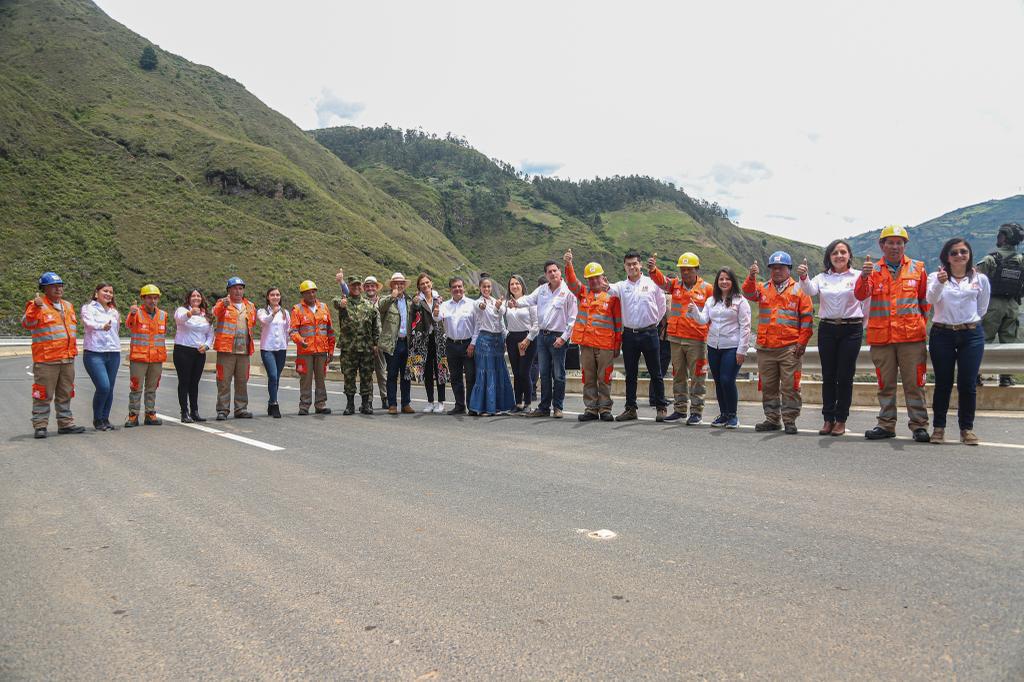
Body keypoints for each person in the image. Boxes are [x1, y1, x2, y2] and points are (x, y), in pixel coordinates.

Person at [854, 225, 931, 442]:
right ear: (882, 245)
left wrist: (916, 324)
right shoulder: (872, 271)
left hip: (911, 338)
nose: (895, 247)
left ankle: (919, 426)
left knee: (915, 384)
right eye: (890, 242)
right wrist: (863, 276)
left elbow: (924, 302)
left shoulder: (918, 268)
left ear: (905, 245)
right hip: (882, 338)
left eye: (899, 242)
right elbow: (860, 295)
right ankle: (886, 424)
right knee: (884, 384)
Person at [796, 240, 864, 436]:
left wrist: (862, 325)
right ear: (829, 257)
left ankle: (841, 419)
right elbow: (809, 290)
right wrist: (803, 276)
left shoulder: (859, 276)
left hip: (851, 329)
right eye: (835, 253)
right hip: (827, 329)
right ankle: (828, 419)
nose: (839, 256)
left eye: (843, 252)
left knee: (844, 376)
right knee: (829, 375)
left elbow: (866, 301)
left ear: (849, 255)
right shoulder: (821, 277)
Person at [742, 251, 814, 434]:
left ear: (789, 269)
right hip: (766, 347)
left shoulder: (799, 290)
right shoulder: (763, 287)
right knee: (768, 386)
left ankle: (790, 420)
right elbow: (748, 292)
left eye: (781, 268)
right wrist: (751, 276)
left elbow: (807, 319)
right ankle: (772, 419)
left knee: (790, 386)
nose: (777, 271)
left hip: (789, 348)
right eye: (774, 268)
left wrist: (802, 343)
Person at [927, 238, 990, 445]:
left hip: (971, 334)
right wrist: (940, 282)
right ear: (947, 257)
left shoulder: (980, 279)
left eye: (963, 251)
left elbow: (982, 308)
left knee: (968, 384)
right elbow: (930, 300)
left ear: (969, 254)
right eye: (954, 253)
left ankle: (966, 429)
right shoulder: (935, 277)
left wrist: (966, 321)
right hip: (942, 334)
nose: (959, 255)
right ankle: (938, 428)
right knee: (943, 383)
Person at [600, 251, 668, 422]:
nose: (632, 267)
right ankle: (631, 409)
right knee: (631, 374)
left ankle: (661, 407)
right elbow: (610, 289)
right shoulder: (622, 286)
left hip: (649, 333)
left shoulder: (652, 283)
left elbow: (661, 307)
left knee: (656, 372)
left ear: (640, 265)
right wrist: (605, 284)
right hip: (629, 335)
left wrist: (652, 324)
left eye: (634, 264)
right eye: (628, 264)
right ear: (624, 267)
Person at [649, 252, 713, 424]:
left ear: (696, 269)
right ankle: (680, 409)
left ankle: (696, 412)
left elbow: (713, 314)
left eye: (689, 269)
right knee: (678, 376)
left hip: (697, 340)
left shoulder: (707, 289)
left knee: (698, 376)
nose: (685, 273)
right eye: (682, 269)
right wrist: (654, 270)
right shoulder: (675, 285)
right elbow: (662, 281)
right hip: (676, 338)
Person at [510, 260, 578, 419]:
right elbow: (528, 300)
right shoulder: (541, 290)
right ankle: (544, 407)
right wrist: (516, 303)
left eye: (555, 270)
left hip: (558, 337)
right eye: (549, 272)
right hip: (542, 336)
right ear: (546, 275)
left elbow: (573, 318)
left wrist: (564, 337)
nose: (553, 274)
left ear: (560, 272)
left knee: (558, 374)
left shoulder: (568, 292)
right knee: (545, 374)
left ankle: (558, 407)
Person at [23, 272, 85, 439]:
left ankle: (65, 424)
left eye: (60, 285)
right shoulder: (37, 305)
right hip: (46, 360)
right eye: (54, 286)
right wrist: (35, 307)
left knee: (66, 392)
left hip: (67, 359)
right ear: (44, 289)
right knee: (43, 394)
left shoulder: (68, 306)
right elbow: (27, 324)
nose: (58, 288)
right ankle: (40, 425)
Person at [688, 268, 751, 428]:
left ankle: (732, 416)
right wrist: (695, 311)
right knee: (718, 381)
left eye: (727, 279)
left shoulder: (740, 301)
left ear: (733, 281)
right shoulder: (711, 300)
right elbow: (703, 320)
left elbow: (745, 327)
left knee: (727, 380)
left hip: (732, 346)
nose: (724, 282)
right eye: (721, 279)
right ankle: (723, 414)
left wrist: (741, 350)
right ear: (717, 282)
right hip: (714, 347)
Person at [563, 253, 622, 422]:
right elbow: (572, 282)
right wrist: (568, 265)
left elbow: (618, 324)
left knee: (605, 378)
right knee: (588, 377)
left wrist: (617, 344)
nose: (594, 281)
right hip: (587, 344)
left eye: (597, 278)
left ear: (603, 277)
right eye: (590, 278)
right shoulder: (583, 293)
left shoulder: (613, 297)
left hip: (605, 345)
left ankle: (605, 409)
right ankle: (591, 408)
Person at [976, 222, 1024, 387]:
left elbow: (974, 282)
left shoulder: (990, 259)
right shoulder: (1021, 260)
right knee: (1009, 342)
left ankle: (976, 374)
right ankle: (1006, 377)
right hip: (1012, 305)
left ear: (1004, 237)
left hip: (992, 304)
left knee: (983, 340)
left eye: (1000, 234)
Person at [468, 276, 515, 415]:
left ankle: (499, 406)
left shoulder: (497, 302)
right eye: (484, 287)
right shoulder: (477, 303)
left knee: (499, 371)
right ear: (480, 288)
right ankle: (484, 407)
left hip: (497, 340)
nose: (487, 289)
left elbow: (500, 322)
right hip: (484, 340)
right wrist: (485, 306)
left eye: (489, 287)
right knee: (485, 372)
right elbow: (479, 308)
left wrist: (505, 338)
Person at [212, 276, 257, 420]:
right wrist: (222, 305)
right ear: (228, 290)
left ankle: (241, 408)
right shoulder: (223, 303)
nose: (238, 291)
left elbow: (253, 323)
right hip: (226, 349)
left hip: (244, 350)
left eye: (240, 288)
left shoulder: (250, 306)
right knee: (224, 381)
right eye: (234, 288)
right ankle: (223, 410)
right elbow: (213, 314)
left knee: (242, 380)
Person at [334, 276, 381, 415]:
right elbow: (336, 302)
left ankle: (366, 404)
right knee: (349, 377)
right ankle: (350, 405)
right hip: (349, 348)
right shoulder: (344, 302)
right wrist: (342, 303)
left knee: (366, 377)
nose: (355, 288)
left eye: (357, 285)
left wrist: (376, 344)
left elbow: (375, 327)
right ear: (349, 286)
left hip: (366, 348)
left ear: (361, 287)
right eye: (352, 286)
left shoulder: (369, 305)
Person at [289, 280, 335, 415]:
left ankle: (320, 405)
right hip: (305, 351)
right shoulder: (297, 309)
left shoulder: (324, 308)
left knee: (321, 379)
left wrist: (331, 350)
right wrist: (300, 340)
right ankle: (304, 406)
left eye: (313, 291)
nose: (311, 294)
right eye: (308, 292)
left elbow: (330, 331)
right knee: (305, 379)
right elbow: (293, 331)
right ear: (302, 294)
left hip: (321, 351)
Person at [124, 285, 167, 427]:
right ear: (143, 299)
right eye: (149, 298)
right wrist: (131, 313)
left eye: (155, 298)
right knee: (136, 387)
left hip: (156, 358)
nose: (152, 301)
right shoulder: (136, 313)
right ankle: (133, 415)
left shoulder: (163, 315)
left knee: (152, 387)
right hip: (139, 358)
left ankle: (150, 414)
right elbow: (129, 325)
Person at [81, 282, 121, 431]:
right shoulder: (88, 308)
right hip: (94, 353)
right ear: (96, 293)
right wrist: (101, 326)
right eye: (105, 291)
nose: (109, 294)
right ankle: (97, 419)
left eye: (111, 292)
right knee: (103, 386)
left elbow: (116, 331)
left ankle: (105, 419)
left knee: (110, 388)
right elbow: (88, 323)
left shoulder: (114, 312)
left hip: (113, 353)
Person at [434, 276, 477, 415]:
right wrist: (435, 312)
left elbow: (478, 326)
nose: (457, 289)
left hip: (468, 344)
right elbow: (436, 317)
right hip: (451, 344)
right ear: (450, 289)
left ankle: (472, 406)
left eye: (459, 286)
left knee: (471, 377)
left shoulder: (472, 304)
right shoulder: (445, 305)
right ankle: (459, 405)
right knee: (455, 377)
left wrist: (473, 344)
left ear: (464, 287)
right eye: (454, 287)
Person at [173, 289, 214, 423]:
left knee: (195, 383)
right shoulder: (182, 310)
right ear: (189, 298)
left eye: (198, 296)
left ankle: (194, 411)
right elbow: (179, 320)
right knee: (184, 381)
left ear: (202, 298)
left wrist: (207, 345)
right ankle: (184, 412)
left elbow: (210, 334)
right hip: (183, 350)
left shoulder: (206, 315)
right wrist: (190, 313)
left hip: (199, 352)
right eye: (193, 296)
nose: (196, 298)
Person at [410, 274, 449, 413]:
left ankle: (441, 402)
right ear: (419, 287)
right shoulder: (417, 301)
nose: (425, 285)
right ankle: (430, 401)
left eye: (427, 283)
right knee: (426, 371)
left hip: (439, 338)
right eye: (422, 284)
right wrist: (412, 339)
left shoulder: (440, 300)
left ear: (431, 283)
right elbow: (412, 320)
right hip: (424, 340)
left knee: (441, 369)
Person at [377, 272, 415, 415]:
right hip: (393, 343)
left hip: (407, 342)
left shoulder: (410, 301)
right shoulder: (386, 300)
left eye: (401, 283)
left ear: (405, 285)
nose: (399, 285)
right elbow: (380, 308)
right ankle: (392, 404)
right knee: (392, 374)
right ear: (392, 285)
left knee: (406, 375)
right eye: (396, 283)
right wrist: (392, 296)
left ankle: (406, 403)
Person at [503, 274, 538, 413]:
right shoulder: (506, 303)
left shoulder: (530, 302)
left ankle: (528, 403)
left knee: (524, 372)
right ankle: (518, 403)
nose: (514, 286)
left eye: (517, 283)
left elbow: (536, 324)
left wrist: (528, 339)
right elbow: (500, 320)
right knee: (516, 372)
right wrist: (507, 335)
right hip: (512, 338)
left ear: (522, 285)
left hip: (527, 338)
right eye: (512, 284)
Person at [256, 287, 289, 418]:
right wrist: (273, 313)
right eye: (272, 295)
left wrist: (287, 342)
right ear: (268, 297)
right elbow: (265, 321)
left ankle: (271, 402)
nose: (275, 297)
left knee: (277, 378)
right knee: (273, 376)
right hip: (268, 348)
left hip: (281, 348)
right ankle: (275, 404)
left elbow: (287, 329)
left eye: (277, 295)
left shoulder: (285, 313)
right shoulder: (262, 311)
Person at [361, 275, 390, 408]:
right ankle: (368, 401)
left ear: (376, 288)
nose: (370, 288)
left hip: (380, 343)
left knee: (382, 371)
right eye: (367, 286)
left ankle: (385, 398)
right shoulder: (360, 303)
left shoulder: (383, 302)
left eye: (372, 286)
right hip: (365, 343)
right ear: (364, 288)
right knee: (366, 373)